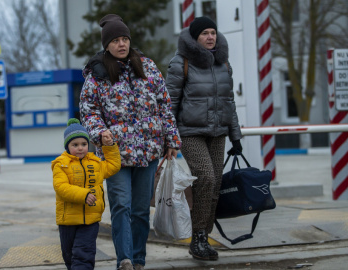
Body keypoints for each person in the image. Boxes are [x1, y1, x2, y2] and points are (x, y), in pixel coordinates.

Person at [79, 14, 181, 270]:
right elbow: (88, 110)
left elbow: (164, 105)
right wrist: (99, 131)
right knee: (121, 206)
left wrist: (171, 139)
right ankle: (124, 259)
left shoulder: (147, 67)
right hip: (116, 155)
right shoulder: (98, 74)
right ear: (107, 45)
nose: (121, 44)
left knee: (139, 210)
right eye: (115, 40)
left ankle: (138, 260)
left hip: (148, 151)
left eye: (124, 39)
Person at [166, 16, 243, 261]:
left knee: (215, 185)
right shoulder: (181, 63)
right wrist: (168, 139)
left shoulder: (223, 63)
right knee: (206, 178)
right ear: (195, 38)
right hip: (190, 132)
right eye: (205, 34)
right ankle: (197, 236)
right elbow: (169, 103)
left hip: (218, 132)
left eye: (213, 32)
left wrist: (236, 136)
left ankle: (203, 237)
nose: (210, 37)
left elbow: (229, 101)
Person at [52, 118, 121, 270]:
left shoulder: (95, 162)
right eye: (75, 145)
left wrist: (109, 146)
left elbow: (113, 166)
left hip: (90, 219)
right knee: (69, 256)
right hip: (68, 221)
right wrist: (83, 194)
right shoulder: (61, 164)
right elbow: (61, 187)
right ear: (67, 146)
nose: (80, 148)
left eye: (83, 144)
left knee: (84, 254)